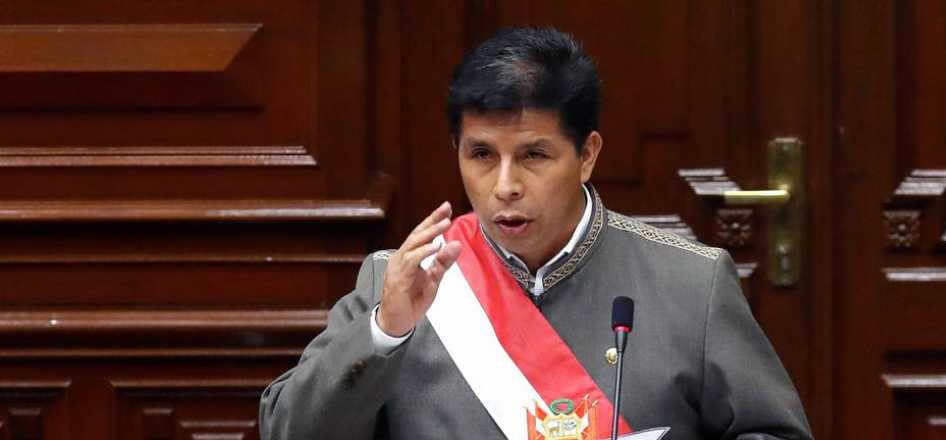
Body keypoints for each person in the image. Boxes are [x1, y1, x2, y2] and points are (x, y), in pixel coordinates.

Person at [259, 27, 813, 440]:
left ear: (586, 155)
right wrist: (384, 330)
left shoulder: (692, 281)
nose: (505, 186)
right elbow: (287, 431)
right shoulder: (399, 280)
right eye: (481, 155)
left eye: (534, 156)